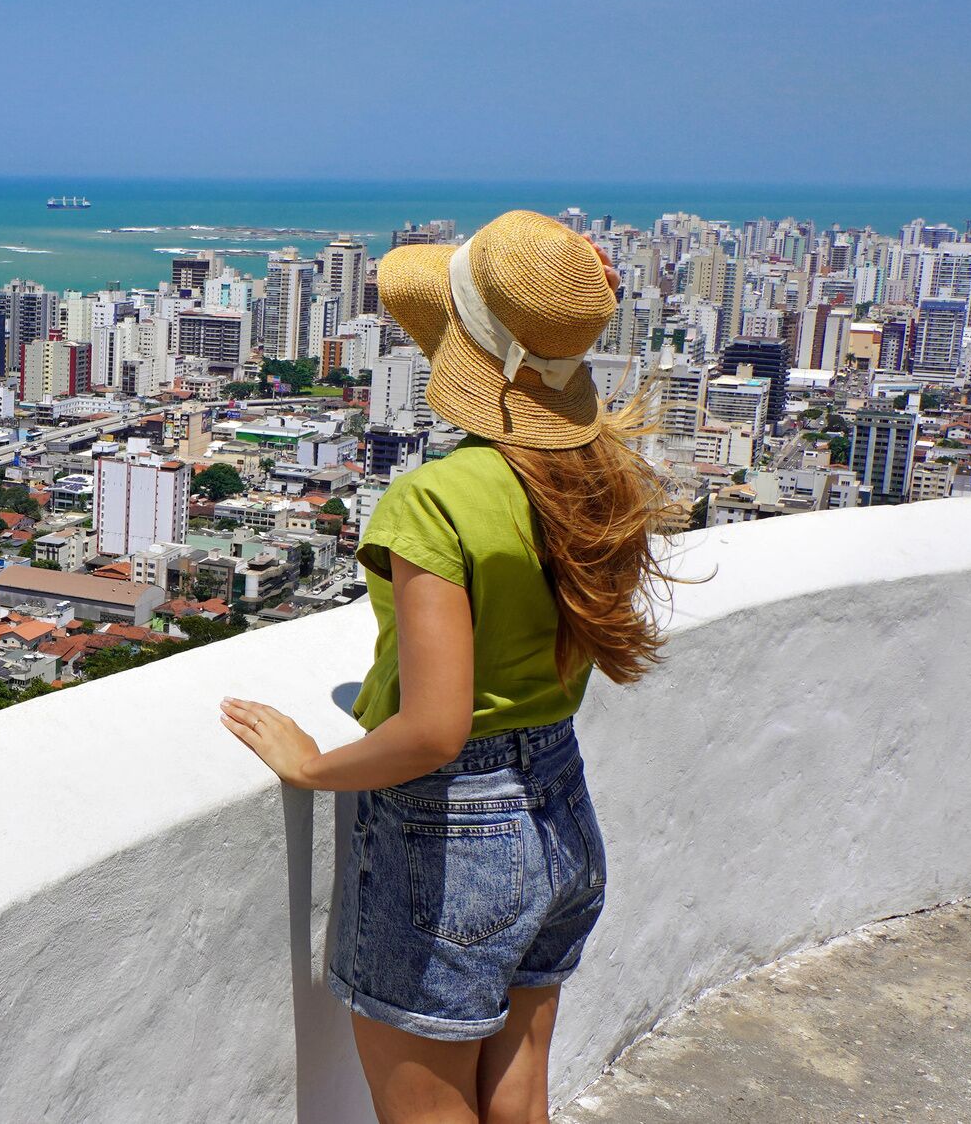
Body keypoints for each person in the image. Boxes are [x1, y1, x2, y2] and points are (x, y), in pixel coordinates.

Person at [221, 210, 677, 1124]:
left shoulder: (434, 501)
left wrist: (310, 766)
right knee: (520, 1091)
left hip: (453, 840)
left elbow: (433, 729)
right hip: (561, 812)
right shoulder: (598, 478)